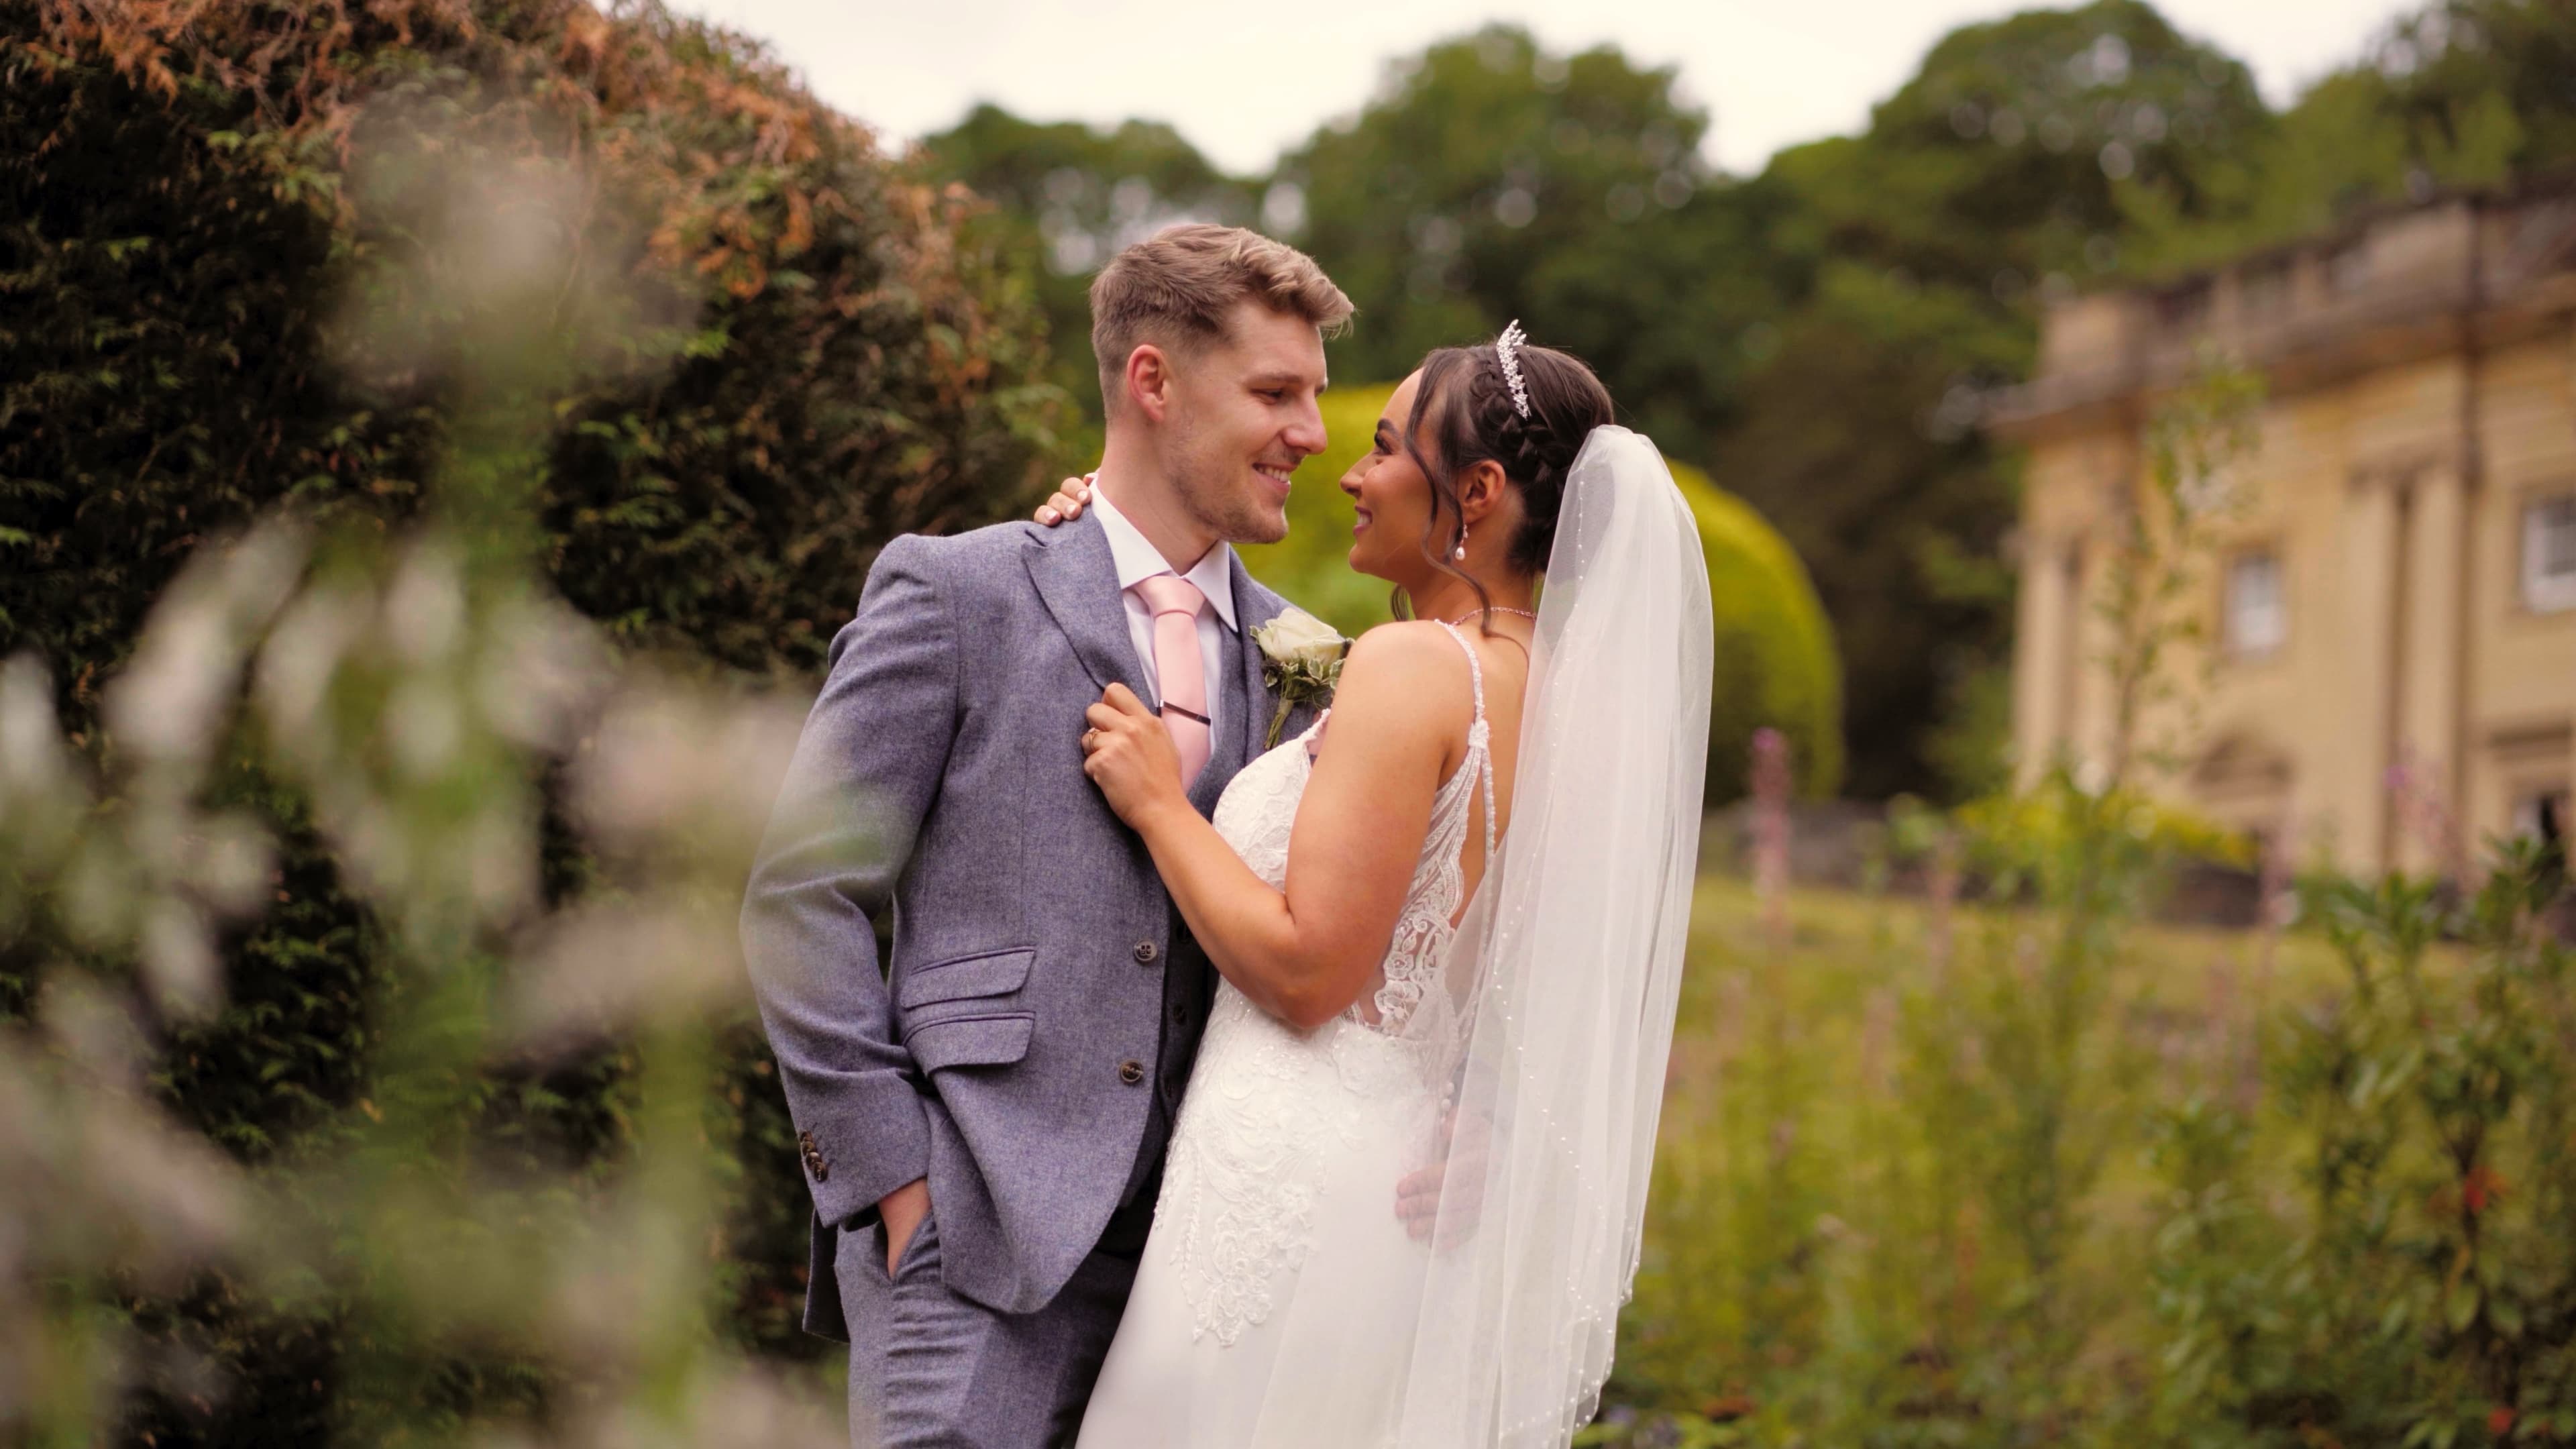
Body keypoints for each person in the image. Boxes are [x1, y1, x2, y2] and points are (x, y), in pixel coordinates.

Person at [1037, 325, 1714, 1446]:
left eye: (1389, 448)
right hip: (1386, 1186)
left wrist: (1160, 805)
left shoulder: (1414, 669)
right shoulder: (1562, 695)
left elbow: (1309, 974)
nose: (1350, 472)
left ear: (1478, 491)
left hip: (1284, 1191)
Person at [738, 223, 1352, 1448]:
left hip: (1207, 1264)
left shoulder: (1313, 661)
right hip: (974, 1239)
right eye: (1276, 393)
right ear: (1154, 381)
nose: (1314, 435)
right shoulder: (956, 591)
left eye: (1318, 398)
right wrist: (894, 1186)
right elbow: (800, 892)